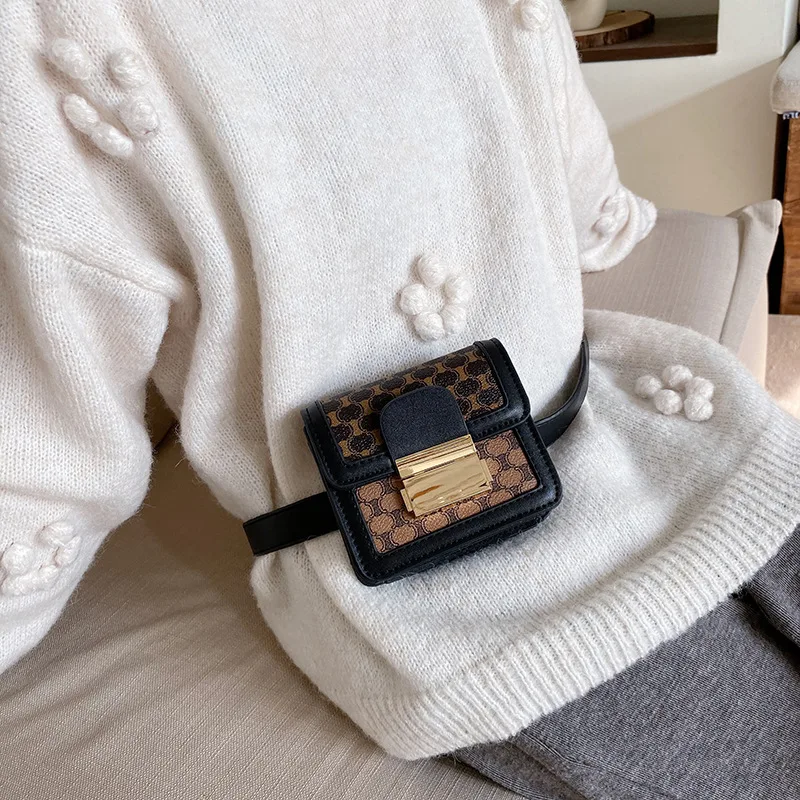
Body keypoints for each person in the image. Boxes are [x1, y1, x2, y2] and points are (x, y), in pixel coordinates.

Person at [1, 0, 798, 796]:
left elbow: (39, 466)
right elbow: (593, 210)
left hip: (471, 599)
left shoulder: (54, 29)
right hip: (642, 425)